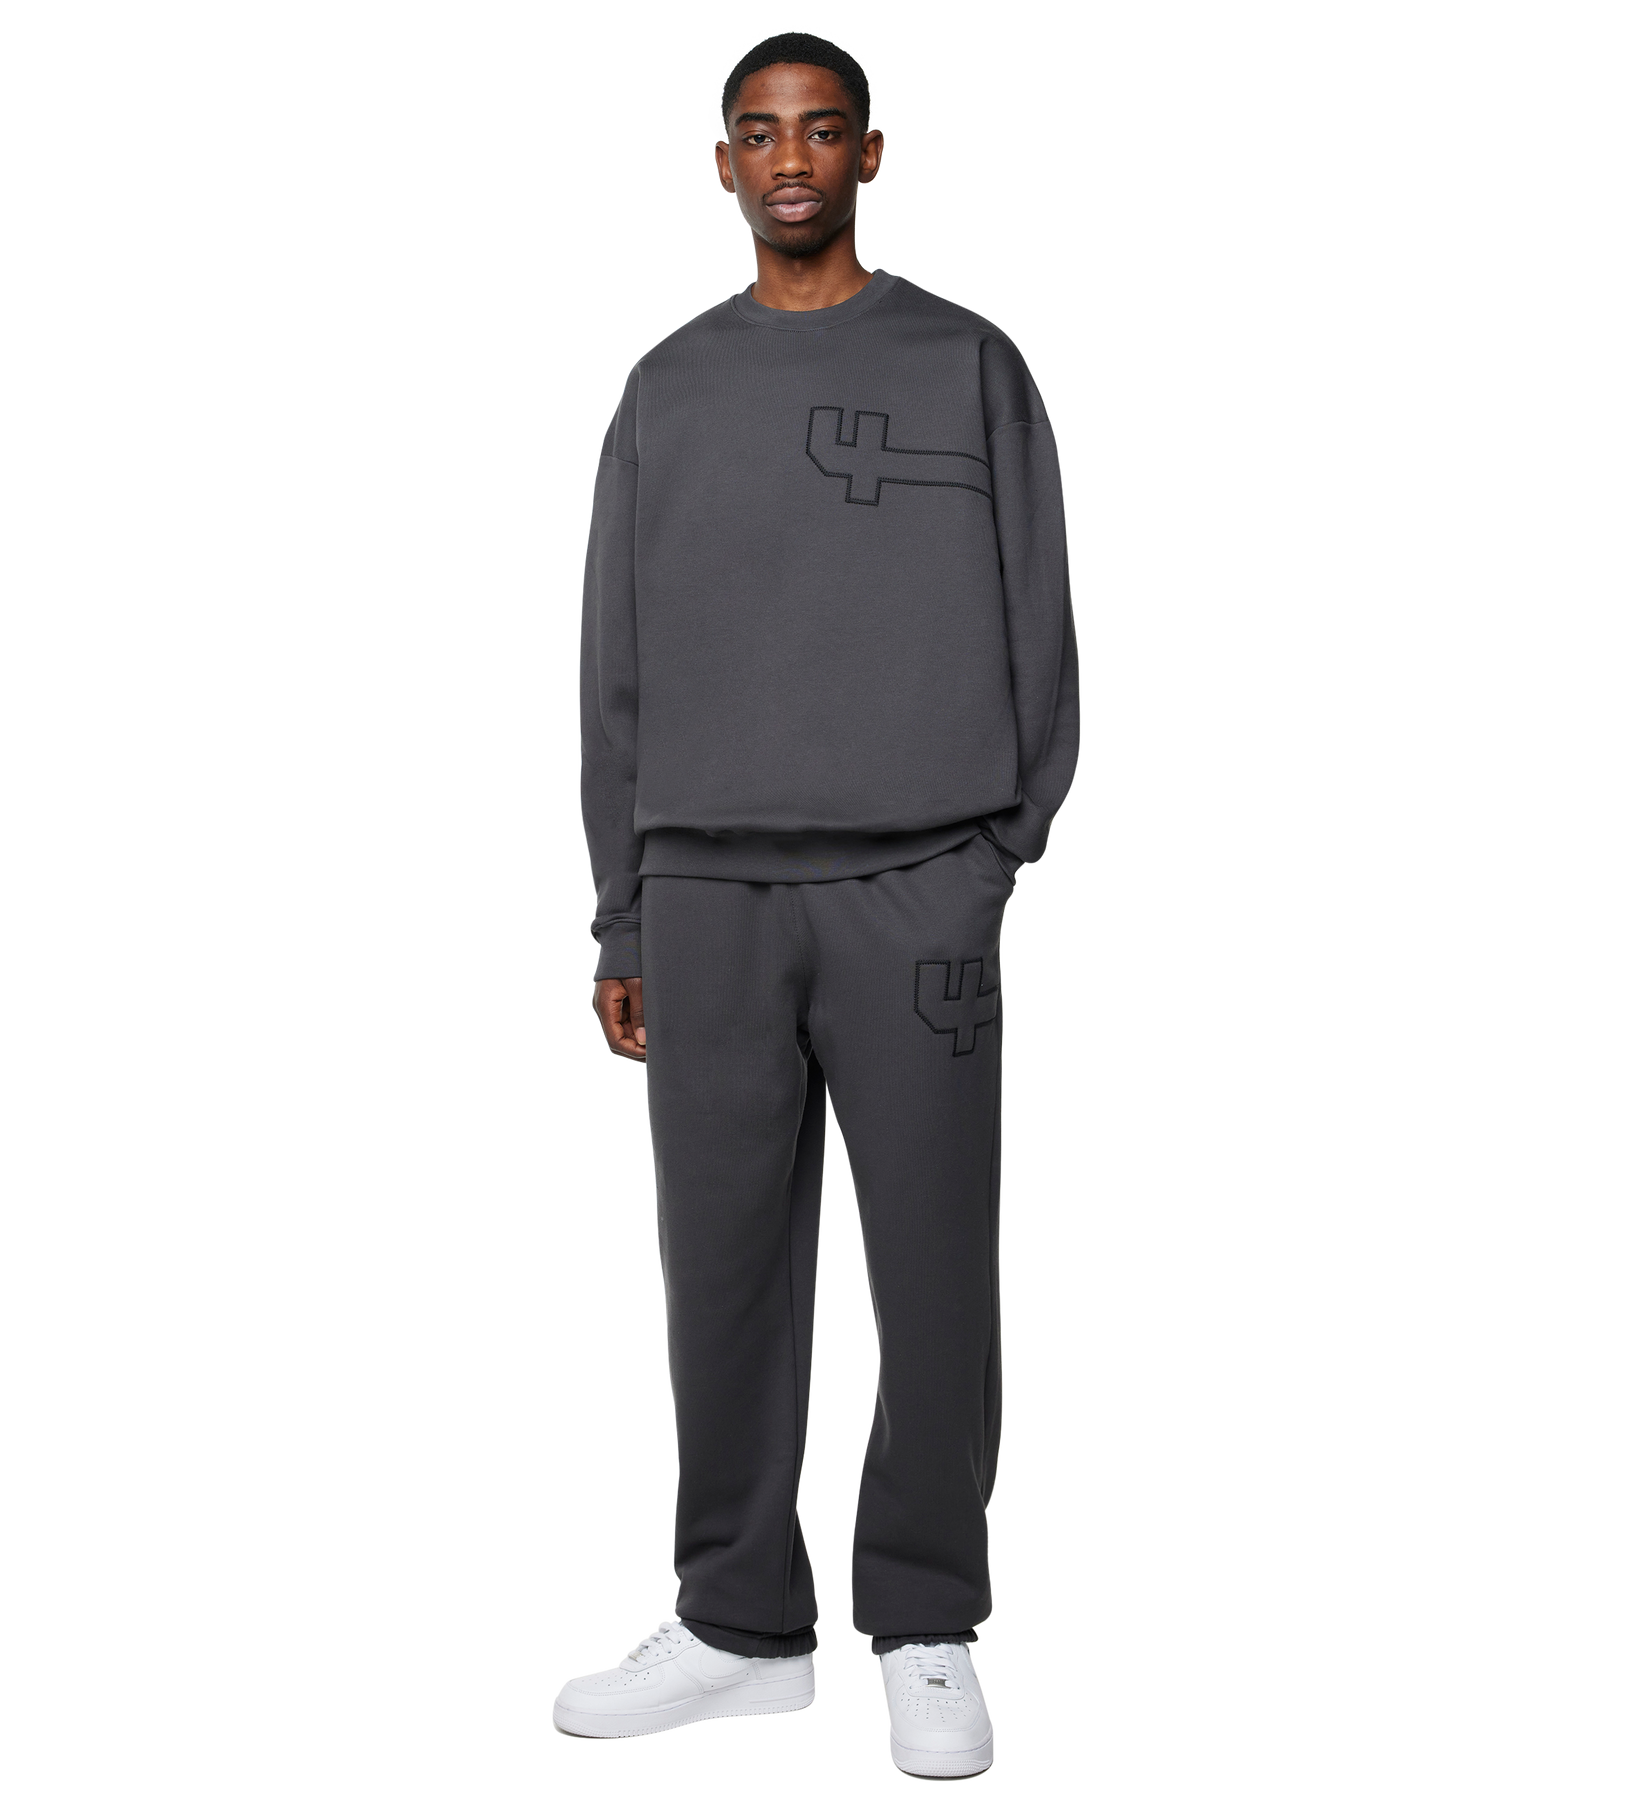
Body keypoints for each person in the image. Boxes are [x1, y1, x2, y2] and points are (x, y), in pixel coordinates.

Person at [557, 24, 1079, 1783]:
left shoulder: (966, 362)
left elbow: (1043, 623)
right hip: (705, 891)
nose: (793, 159)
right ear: (723, 163)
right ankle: (736, 1625)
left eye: (825, 129)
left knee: (931, 1266)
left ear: (871, 153)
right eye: (762, 134)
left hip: (915, 887)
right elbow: (616, 672)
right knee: (718, 1274)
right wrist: (624, 911)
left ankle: (924, 1623)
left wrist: (993, 853)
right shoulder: (665, 386)